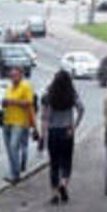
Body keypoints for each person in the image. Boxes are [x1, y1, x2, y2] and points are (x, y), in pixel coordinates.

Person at [39, 70, 84, 204]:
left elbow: (45, 117)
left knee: (54, 164)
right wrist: (74, 125)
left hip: (53, 131)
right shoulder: (71, 95)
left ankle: (54, 193)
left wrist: (43, 135)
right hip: (67, 131)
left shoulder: (48, 96)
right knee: (66, 161)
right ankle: (63, 184)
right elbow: (81, 108)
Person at [1, 67, 37, 184]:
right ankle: (13, 172)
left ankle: (16, 174)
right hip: (7, 121)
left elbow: (29, 102)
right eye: (11, 76)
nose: (13, 78)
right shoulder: (9, 87)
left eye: (15, 76)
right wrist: (5, 103)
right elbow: (6, 101)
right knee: (9, 149)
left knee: (13, 146)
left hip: (20, 122)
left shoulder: (25, 86)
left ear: (21, 75)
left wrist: (12, 102)